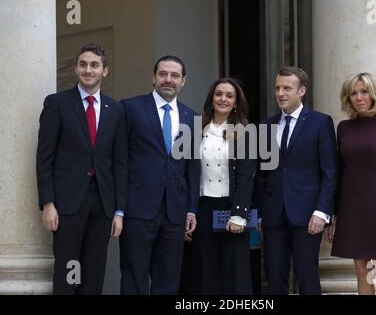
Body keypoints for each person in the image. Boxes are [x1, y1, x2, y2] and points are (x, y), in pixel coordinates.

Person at [36, 43, 127, 294]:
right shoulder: (57, 104)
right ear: (76, 68)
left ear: (105, 71)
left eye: (94, 65)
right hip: (66, 204)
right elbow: (44, 157)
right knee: (67, 275)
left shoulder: (116, 110)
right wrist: (48, 203)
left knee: (94, 275)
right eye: (83, 64)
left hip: (103, 204)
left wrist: (119, 210)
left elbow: (119, 163)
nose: (88, 70)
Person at [119, 55, 199, 295]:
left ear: (183, 81)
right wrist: (119, 209)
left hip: (174, 212)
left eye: (175, 75)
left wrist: (191, 208)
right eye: (163, 74)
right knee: (134, 277)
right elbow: (120, 161)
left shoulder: (191, 117)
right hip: (137, 208)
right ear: (153, 77)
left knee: (168, 280)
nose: (168, 79)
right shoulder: (130, 108)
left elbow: (192, 168)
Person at [255, 66, 337, 295]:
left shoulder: (320, 122)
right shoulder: (266, 126)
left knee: (307, 274)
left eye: (287, 88)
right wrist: (261, 213)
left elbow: (330, 172)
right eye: (277, 88)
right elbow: (262, 174)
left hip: (308, 213)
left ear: (302, 91)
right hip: (273, 214)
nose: (281, 93)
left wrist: (322, 212)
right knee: (274, 276)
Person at [324, 73, 376, 295]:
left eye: (364, 91)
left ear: (373, 94)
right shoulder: (344, 128)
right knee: (361, 267)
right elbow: (339, 172)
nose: (359, 97)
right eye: (353, 93)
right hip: (351, 205)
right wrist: (334, 214)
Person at [190, 78, 255, 294]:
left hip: (232, 209)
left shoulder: (246, 131)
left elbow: (246, 176)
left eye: (229, 95)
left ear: (236, 102)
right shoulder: (197, 128)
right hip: (203, 207)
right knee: (206, 271)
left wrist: (239, 214)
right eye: (218, 94)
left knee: (235, 273)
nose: (223, 99)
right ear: (211, 98)